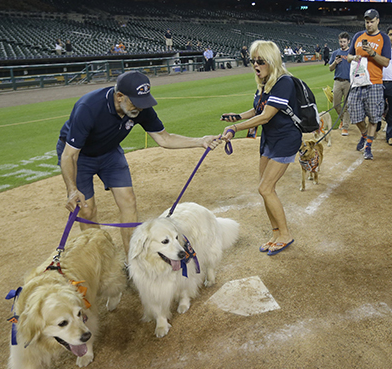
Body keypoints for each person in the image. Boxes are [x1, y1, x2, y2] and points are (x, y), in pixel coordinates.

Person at [57, 70, 220, 251]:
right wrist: (72, 190)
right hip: (80, 156)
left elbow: (164, 138)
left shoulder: (140, 108)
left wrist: (200, 141)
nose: (140, 108)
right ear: (119, 96)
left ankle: (132, 262)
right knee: (87, 210)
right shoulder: (89, 107)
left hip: (110, 152)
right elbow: (68, 155)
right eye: (135, 102)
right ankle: (101, 258)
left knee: (128, 201)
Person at [220, 40, 301, 256]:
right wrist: (236, 117)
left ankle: (285, 235)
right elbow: (257, 109)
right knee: (265, 189)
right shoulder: (265, 83)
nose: (255, 65)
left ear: (271, 61)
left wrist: (235, 127)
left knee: (265, 188)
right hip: (269, 139)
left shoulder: (284, 82)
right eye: (253, 61)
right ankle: (276, 233)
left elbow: (265, 116)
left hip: (285, 139)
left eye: (260, 61)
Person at [347, 8, 391, 161]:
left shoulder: (384, 38)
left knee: (374, 118)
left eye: (372, 21)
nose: (369, 24)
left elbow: (386, 62)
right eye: (367, 22)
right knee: (354, 114)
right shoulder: (358, 36)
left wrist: (372, 53)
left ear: (378, 20)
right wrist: (354, 57)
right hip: (357, 82)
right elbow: (348, 56)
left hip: (375, 83)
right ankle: (365, 135)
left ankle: (368, 147)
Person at [329, 32, 352, 136]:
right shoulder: (335, 53)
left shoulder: (352, 53)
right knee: (336, 104)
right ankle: (343, 119)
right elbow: (330, 68)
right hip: (337, 81)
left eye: (344, 42)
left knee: (347, 105)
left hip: (348, 81)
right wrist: (335, 62)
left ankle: (345, 127)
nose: (342, 44)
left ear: (348, 42)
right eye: (340, 41)